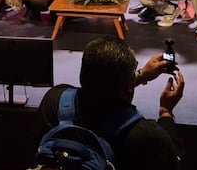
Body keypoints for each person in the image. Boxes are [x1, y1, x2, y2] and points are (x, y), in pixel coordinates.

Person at [37, 37, 184, 170]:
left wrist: (138, 76)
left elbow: (97, 89)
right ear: (127, 87)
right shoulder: (146, 136)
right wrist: (166, 111)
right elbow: (175, 162)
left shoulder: (54, 100)